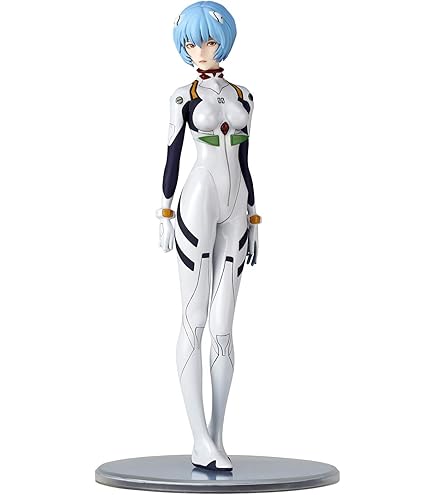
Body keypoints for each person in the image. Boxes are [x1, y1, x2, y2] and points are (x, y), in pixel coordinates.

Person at [156, 1, 261, 471]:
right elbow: (172, 153)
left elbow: (246, 159)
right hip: (197, 196)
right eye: (192, 43)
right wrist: (164, 210)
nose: (201, 50)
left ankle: (217, 435)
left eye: (210, 40)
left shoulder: (245, 96)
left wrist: (254, 215)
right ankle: (198, 437)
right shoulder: (183, 96)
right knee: (194, 316)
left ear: (224, 41)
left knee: (224, 324)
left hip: (236, 203)